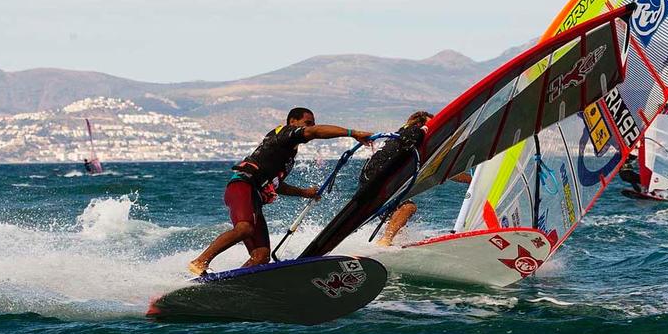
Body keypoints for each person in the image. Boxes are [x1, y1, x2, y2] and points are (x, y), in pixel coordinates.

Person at [188, 107, 372, 275]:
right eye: (307, 123)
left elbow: (277, 185)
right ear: (293, 122)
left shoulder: (287, 153)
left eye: (312, 124)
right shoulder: (285, 133)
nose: (311, 127)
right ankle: (200, 261)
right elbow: (314, 132)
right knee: (244, 228)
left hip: (255, 196)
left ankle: (229, 284)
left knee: (261, 256)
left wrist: (305, 192)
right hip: (242, 186)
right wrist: (353, 133)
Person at [364, 111, 471, 247]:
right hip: (378, 181)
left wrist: (472, 180)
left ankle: (389, 241)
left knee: (398, 214)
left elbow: (443, 169)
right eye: (431, 126)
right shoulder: (410, 136)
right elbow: (444, 169)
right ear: (420, 125)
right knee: (408, 207)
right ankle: (384, 242)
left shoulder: (409, 142)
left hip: (379, 181)